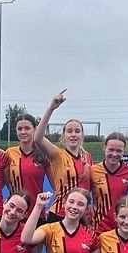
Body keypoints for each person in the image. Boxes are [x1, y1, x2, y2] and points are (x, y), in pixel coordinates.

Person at [34, 90, 93, 222]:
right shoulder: (57, 154)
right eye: (69, 131)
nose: (73, 134)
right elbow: (37, 138)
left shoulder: (87, 157)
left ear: (82, 135)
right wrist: (51, 109)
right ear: (64, 135)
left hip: (82, 215)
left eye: (77, 131)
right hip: (60, 214)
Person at [90, 132, 128, 234]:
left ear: (124, 151)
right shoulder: (93, 170)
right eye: (111, 150)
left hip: (121, 228)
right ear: (104, 148)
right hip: (98, 228)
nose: (114, 154)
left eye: (119, 151)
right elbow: (84, 197)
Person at [6, 114, 49, 223]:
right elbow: (6, 182)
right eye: (19, 129)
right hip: (15, 213)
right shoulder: (9, 153)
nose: (23, 132)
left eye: (27, 128)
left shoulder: (43, 154)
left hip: (37, 213)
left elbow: (55, 185)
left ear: (35, 129)